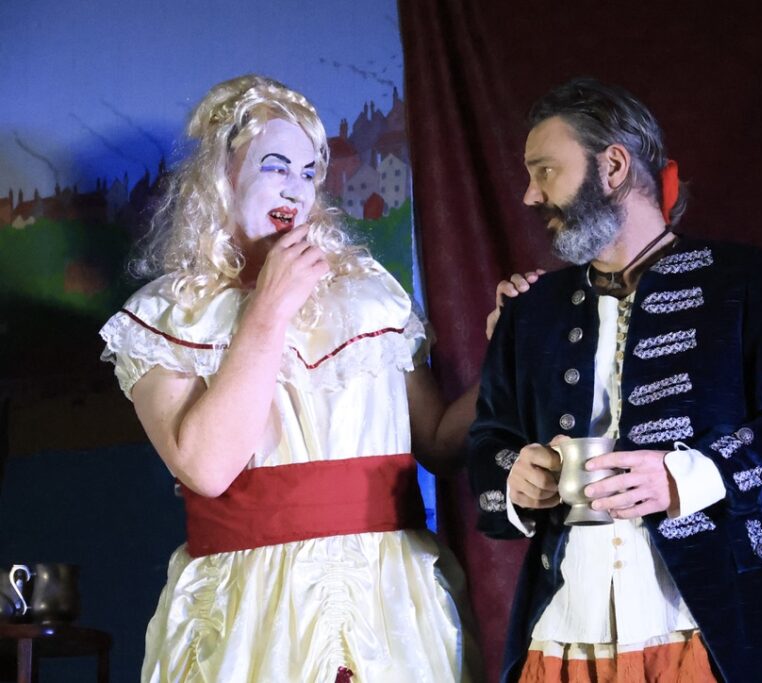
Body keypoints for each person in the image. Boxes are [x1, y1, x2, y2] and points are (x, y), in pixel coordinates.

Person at [100, 75, 481, 682]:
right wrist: (269, 308)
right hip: (251, 613)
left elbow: (439, 441)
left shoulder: (369, 298)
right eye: (275, 166)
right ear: (221, 175)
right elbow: (206, 468)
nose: (295, 188)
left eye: (308, 173)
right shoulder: (165, 316)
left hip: (386, 600)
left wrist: (514, 353)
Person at [469, 77, 762, 682]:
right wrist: (515, 477)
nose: (531, 195)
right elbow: (489, 440)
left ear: (613, 166)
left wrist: (684, 476)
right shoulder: (530, 310)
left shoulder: (742, 279)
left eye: (545, 171)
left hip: (707, 620)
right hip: (565, 624)